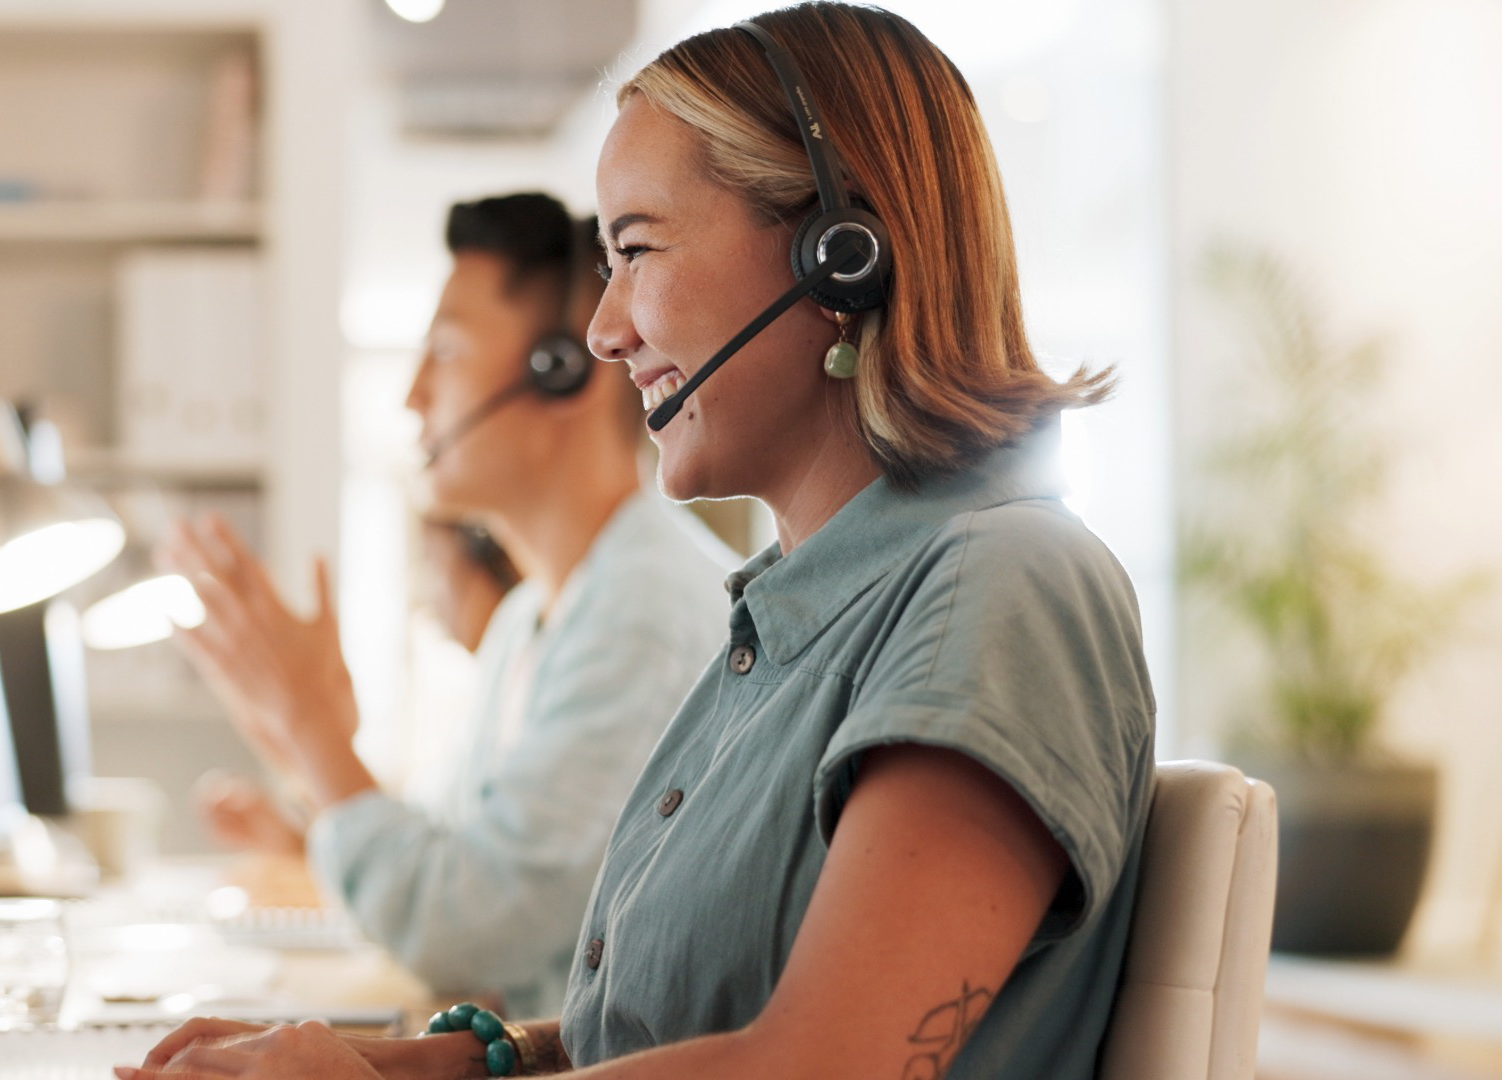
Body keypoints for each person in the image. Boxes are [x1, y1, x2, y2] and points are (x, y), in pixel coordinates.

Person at [122, 4, 1154, 1079]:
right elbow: (680, 1029)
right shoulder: (793, 620)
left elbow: (818, 1067)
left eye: (637, 249)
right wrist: (439, 1063)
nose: (606, 330)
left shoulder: (1004, 588)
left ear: (840, 258)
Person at [159, 192, 736, 1017]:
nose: (412, 395)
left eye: (446, 352)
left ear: (561, 370)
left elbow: (462, 925)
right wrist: (305, 766)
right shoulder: (533, 615)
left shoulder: (640, 615)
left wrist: (315, 736)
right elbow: (455, 856)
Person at [192, 516, 520, 855]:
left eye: (435, 569)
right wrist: (295, 841)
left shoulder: (521, 702)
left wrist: (309, 722)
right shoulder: (487, 704)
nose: (428, 600)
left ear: (489, 567)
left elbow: (424, 882)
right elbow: (415, 862)